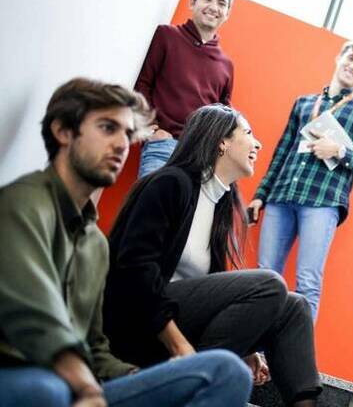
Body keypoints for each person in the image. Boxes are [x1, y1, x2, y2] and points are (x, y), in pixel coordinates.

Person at [0, 78, 252, 407]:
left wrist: (135, 377)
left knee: (228, 371)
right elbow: (33, 321)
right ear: (63, 131)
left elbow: (95, 347)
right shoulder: (22, 205)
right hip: (26, 373)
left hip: (86, 386)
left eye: (127, 133)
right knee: (47, 390)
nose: (122, 144)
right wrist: (87, 388)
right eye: (108, 128)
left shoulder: (94, 242)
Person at [104, 104, 322, 407]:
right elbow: (134, 270)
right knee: (270, 284)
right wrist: (180, 347)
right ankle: (199, 382)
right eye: (248, 133)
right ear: (222, 142)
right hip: (138, 325)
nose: (258, 144)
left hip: (179, 317)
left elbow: (214, 291)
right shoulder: (171, 184)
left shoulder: (219, 204)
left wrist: (247, 348)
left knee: (295, 306)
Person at [248, 41, 353, 320]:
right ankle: (255, 342)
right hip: (281, 196)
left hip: (323, 201)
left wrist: (340, 151)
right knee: (264, 276)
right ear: (339, 58)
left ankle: (294, 347)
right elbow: (281, 152)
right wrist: (261, 195)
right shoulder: (304, 103)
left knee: (307, 282)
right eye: (351, 58)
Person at [135, 0, 234, 177]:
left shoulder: (226, 65)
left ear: (227, 13)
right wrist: (150, 131)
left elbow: (223, 117)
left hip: (197, 159)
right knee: (150, 199)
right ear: (192, 2)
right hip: (162, 146)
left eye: (221, 3)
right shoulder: (166, 35)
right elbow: (143, 85)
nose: (214, 7)